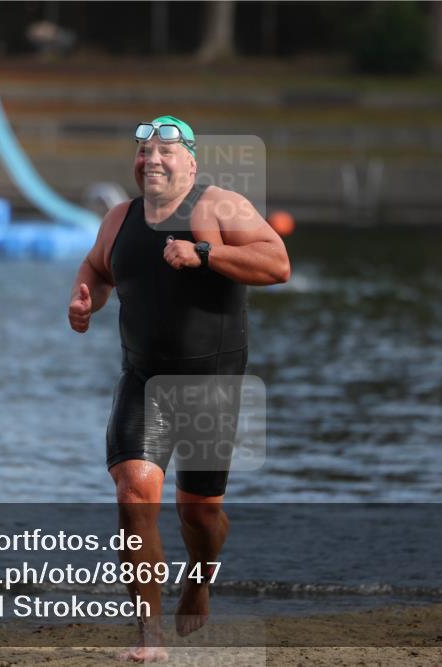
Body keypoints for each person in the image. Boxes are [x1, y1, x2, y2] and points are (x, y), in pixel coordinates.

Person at [68, 116, 290, 662]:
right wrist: (86, 303)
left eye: (166, 151)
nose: (153, 161)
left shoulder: (219, 207)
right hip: (142, 380)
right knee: (133, 492)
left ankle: (200, 575)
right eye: (144, 152)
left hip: (211, 387)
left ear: (191, 162)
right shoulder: (119, 219)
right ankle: (149, 636)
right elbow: (97, 269)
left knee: (200, 515)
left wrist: (206, 254)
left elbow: (278, 263)